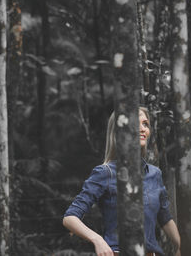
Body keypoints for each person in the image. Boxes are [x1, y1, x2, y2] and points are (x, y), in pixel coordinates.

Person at [62, 107, 181, 256]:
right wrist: (97, 240)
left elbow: (165, 218)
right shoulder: (106, 173)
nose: (142, 129)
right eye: (135, 123)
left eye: (145, 124)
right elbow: (70, 218)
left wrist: (179, 246)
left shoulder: (154, 174)